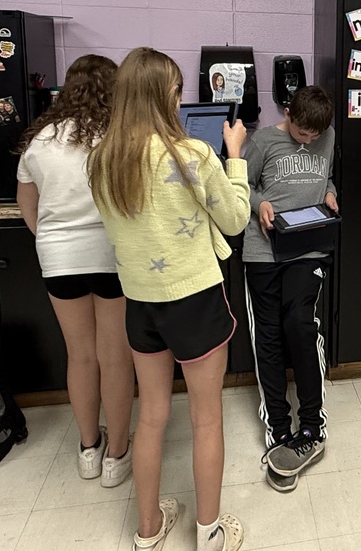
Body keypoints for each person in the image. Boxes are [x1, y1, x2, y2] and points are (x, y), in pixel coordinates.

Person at [89, 47, 248, 551]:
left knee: (152, 415)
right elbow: (236, 219)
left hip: (141, 306)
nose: (180, 102)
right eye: (177, 92)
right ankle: (209, 532)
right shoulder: (193, 155)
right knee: (206, 417)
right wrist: (237, 158)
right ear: (163, 97)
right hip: (195, 299)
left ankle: (148, 530)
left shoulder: (103, 160)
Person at [16, 54, 136, 492]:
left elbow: (29, 210)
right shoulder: (119, 137)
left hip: (58, 259)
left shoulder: (40, 141)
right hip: (111, 257)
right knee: (115, 356)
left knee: (80, 355)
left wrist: (55, 241)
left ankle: (89, 449)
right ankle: (118, 456)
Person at [242, 85, 337, 493]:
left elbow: (328, 175)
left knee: (300, 323)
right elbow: (240, 184)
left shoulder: (327, 134)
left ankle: (312, 425)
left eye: (315, 135)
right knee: (269, 335)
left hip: (308, 246)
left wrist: (331, 192)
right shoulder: (262, 140)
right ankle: (279, 427)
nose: (309, 140)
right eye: (302, 133)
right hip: (263, 249)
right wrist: (258, 202)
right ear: (288, 113)